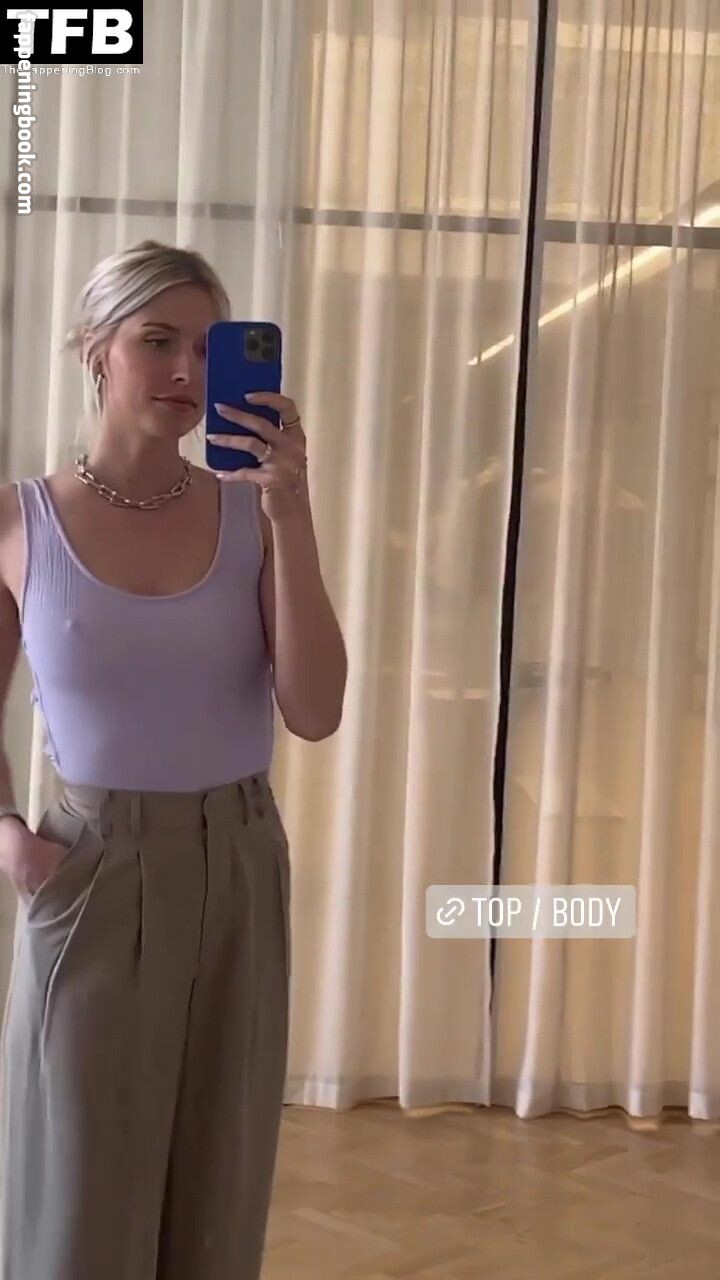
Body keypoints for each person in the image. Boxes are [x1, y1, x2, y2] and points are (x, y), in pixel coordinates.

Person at [0, 239, 347, 1279]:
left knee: (216, 1182)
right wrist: (10, 835)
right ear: (95, 349)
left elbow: (316, 710)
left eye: (207, 345)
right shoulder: (20, 520)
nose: (187, 370)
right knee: (76, 1186)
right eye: (158, 341)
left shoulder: (255, 513)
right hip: (90, 866)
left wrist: (292, 508)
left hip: (237, 862)